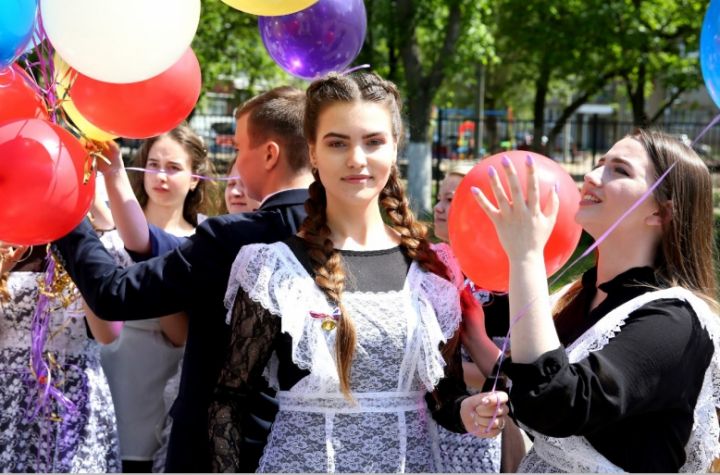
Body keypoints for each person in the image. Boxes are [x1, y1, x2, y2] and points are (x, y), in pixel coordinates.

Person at [209, 72, 508, 473]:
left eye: (373, 142)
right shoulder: (273, 269)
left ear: (395, 147)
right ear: (313, 152)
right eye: (337, 143)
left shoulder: (432, 270)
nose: (356, 159)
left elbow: (443, 396)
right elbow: (229, 398)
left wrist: (469, 410)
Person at [51, 86, 314, 472]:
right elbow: (150, 244)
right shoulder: (340, 231)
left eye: (239, 148)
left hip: (215, 451)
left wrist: (59, 204)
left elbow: (113, 293)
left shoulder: (233, 237)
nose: (235, 163)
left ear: (270, 154)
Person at [469, 129, 720, 472]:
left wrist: (526, 255)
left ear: (660, 213)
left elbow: (556, 403)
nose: (590, 176)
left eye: (620, 170)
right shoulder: (575, 296)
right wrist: (490, 403)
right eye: (600, 163)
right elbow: (528, 389)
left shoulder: (675, 321)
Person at [93, 124, 216, 473]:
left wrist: (157, 286)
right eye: (153, 165)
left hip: (164, 375)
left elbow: (183, 334)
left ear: (194, 179)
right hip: (106, 366)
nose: (161, 176)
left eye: (173, 167)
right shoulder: (110, 229)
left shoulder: (204, 239)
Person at [0, 194, 122, 472]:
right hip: (7, 401)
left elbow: (108, 334)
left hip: (71, 405)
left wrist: (81, 257)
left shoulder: (94, 239)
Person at [433, 162, 530, 473]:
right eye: (438, 198)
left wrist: (435, 371)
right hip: (428, 422)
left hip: (482, 430)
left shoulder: (502, 280)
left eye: (450, 200)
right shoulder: (426, 266)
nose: (438, 208)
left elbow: (512, 374)